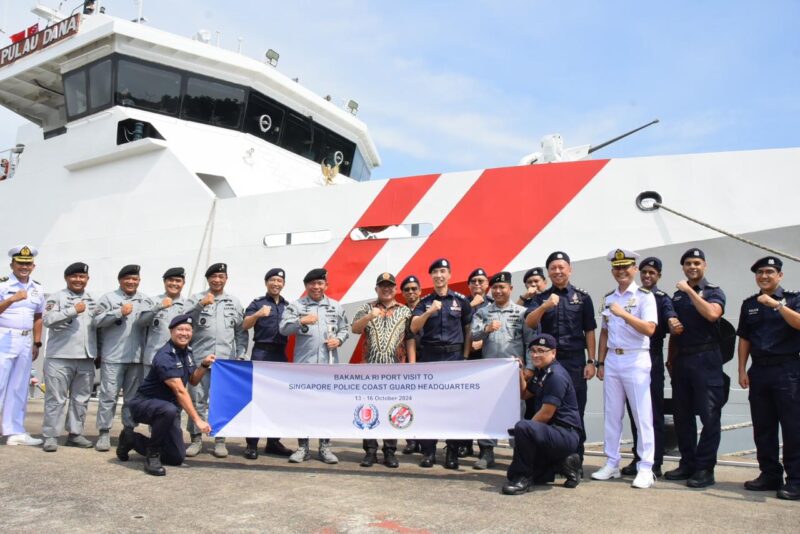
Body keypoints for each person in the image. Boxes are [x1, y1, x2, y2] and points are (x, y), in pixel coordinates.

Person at [115, 313, 216, 476]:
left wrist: (203, 365)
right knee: (168, 409)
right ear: (171, 331)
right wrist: (197, 420)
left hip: (167, 410)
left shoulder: (186, 352)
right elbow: (180, 390)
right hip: (144, 404)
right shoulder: (165, 356)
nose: (184, 333)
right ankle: (152, 455)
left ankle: (131, 439)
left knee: (176, 457)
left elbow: (193, 380)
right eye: (180, 329)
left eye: (188, 330)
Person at [592, 249, 658, 489]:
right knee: (612, 414)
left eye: (625, 267)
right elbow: (604, 331)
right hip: (613, 358)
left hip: (635, 357)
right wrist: (600, 362)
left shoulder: (645, 297)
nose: (621, 271)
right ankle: (612, 462)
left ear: (634, 269)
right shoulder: (609, 297)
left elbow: (650, 329)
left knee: (642, 415)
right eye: (617, 268)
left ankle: (646, 467)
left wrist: (623, 314)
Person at [736, 256, 800, 500]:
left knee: (793, 427)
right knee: (763, 426)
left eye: (769, 272)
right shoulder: (749, 304)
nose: (764, 276)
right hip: (760, 370)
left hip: (787, 370)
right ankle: (770, 474)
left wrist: (777, 305)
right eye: (760, 272)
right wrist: (742, 370)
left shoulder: (793, 299)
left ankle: (796, 480)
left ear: (779, 275)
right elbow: (745, 338)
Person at [525, 251, 596, 469]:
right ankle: (549, 464)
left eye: (561, 267)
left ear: (569, 269)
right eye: (553, 268)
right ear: (548, 272)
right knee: (546, 410)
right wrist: (545, 306)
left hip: (575, 362)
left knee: (575, 413)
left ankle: (574, 462)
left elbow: (589, 330)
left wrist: (591, 361)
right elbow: (530, 322)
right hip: (548, 364)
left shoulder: (582, 297)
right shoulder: (541, 298)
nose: (557, 271)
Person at [665, 248, 726, 488]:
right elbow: (674, 333)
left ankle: (705, 468)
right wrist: (670, 360)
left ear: (704, 266)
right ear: (683, 267)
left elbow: (712, 314)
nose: (692, 267)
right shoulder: (676, 297)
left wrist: (690, 290)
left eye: (697, 263)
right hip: (683, 359)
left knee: (709, 416)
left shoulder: (713, 292)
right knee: (683, 416)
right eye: (688, 263)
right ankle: (688, 463)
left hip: (707, 359)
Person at [280, 268, 349, 464]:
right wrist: (301, 320)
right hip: (305, 367)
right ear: (306, 286)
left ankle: (325, 447)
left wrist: (339, 340)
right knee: (303, 407)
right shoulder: (296, 306)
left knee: (326, 407)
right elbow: (283, 329)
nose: (316, 287)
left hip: (328, 366)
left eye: (320, 283)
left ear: (326, 286)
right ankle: (303, 447)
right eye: (312, 283)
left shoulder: (335, 306)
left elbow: (345, 329)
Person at [410, 258, 473, 469]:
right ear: (431, 276)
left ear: (449, 274)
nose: (439, 275)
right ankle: (428, 451)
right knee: (429, 405)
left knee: (454, 406)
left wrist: (465, 357)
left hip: (454, 358)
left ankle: (452, 451)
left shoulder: (461, 301)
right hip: (430, 357)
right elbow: (414, 327)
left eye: (443, 271)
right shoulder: (424, 302)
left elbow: (468, 330)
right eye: (435, 272)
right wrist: (429, 312)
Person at [502, 334, 582, 495]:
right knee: (536, 475)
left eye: (541, 351)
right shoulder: (542, 372)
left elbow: (546, 414)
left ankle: (522, 479)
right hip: (550, 432)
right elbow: (524, 394)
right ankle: (565, 463)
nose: (535, 355)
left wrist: (525, 432)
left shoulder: (556, 376)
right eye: (533, 351)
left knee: (523, 428)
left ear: (553, 353)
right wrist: (520, 372)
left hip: (564, 433)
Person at [620, 257, 678, 478]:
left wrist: (672, 321)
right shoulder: (631, 296)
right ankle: (639, 456)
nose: (647, 276)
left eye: (652, 273)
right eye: (644, 272)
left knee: (652, 412)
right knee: (635, 412)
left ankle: (654, 461)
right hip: (631, 357)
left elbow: (670, 316)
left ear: (659, 276)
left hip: (651, 357)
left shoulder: (661, 298)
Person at [351, 272, 415, 468]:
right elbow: (355, 329)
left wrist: (412, 365)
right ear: (376, 289)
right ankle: (370, 451)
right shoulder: (367, 307)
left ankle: (390, 451)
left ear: (395, 289)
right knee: (368, 409)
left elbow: (410, 338)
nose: (386, 289)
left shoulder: (405, 311)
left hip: (395, 369)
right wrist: (369, 316)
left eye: (390, 286)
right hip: (370, 369)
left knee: (392, 409)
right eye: (382, 286)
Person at [186, 262, 248, 458]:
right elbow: (184, 322)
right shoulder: (196, 299)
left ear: (226, 279)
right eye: (214, 276)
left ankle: (220, 440)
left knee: (221, 402)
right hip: (200, 359)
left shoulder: (234, 302)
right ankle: (196, 439)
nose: (217, 280)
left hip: (224, 362)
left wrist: (241, 354)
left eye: (221, 277)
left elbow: (241, 331)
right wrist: (200, 305)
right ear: (208, 279)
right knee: (197, 400)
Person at [93, 264, 153, 452]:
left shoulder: (146, 300)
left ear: (139, 281)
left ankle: (128, 432)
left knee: (132, 399)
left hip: (136, 358)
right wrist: (119, 312)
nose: (131, 282)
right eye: (128, 279)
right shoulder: (108, 298)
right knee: (108, 396)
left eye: (135, 279)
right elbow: (96, 321)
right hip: (113, 357)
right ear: (120, 280)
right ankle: (104, 432)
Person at [470, 271, 526, 469]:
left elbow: (529, 341)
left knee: (517, 412)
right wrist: (486, 329)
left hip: (515, 372)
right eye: (495, 287)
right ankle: (487, 452)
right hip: (491, 372)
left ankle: (519, 454)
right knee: (488, 410)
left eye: (502, 287)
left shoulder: (522, 312)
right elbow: (473, 335)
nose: (498, 291)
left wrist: (529, 368)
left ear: (511, 289)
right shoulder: (483, 312)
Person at [41, 262, 98, 451]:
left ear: (87, 279)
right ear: (67, 278)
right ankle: (50, 436)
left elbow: (98, 327)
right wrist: (73, 310)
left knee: (81, 399)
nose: (78, 280)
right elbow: (48, 320)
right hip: (60, 357)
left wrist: (98, 353)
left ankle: (75, 433)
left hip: (86, 357)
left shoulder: (93, 299)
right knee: (55, 399)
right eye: (74, 276)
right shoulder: (56, 297)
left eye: (82, 277)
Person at [241, 267, 293, 459]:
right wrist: (257, 315)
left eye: (279, 281)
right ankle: (252, 444)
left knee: (278, 399)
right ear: (266, 283)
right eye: (272, 280)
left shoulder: (289, 306)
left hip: (280, 353)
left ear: (283, 284)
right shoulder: (257, 303)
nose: (276, 284)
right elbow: (245, 324)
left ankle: (273, 442)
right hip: (261, 352)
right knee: (257, 398)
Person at [0, 245, 44, 446]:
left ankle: (14, 431)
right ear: (12, 265)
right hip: (4, 337)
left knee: (19, 387)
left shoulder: (37, 288)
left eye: (28, 264)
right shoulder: (2, 285)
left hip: (26, 340)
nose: (24, 267)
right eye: (20, 263)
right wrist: (11, 299)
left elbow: (38, 316)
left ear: (33, 266)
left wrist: (37, 342)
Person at [140, 267, 190, 376]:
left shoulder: (188, 305)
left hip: (178, 360)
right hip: (153, 359)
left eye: (178, 281)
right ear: (164, 282)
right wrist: (159, 307)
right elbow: (141, 322)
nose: (174, 283)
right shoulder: (152, 301)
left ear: (183, 283)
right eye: (170, 280)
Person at [399, 274, 423, 456]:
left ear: (420, 291)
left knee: (425, 402)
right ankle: (411, 440)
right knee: (408, 401)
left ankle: (425, 441)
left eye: (414, 288)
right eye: (407, 289)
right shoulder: (400, 312)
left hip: (428, 357)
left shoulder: (427, 307)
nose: (411, 292)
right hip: (407, 361)